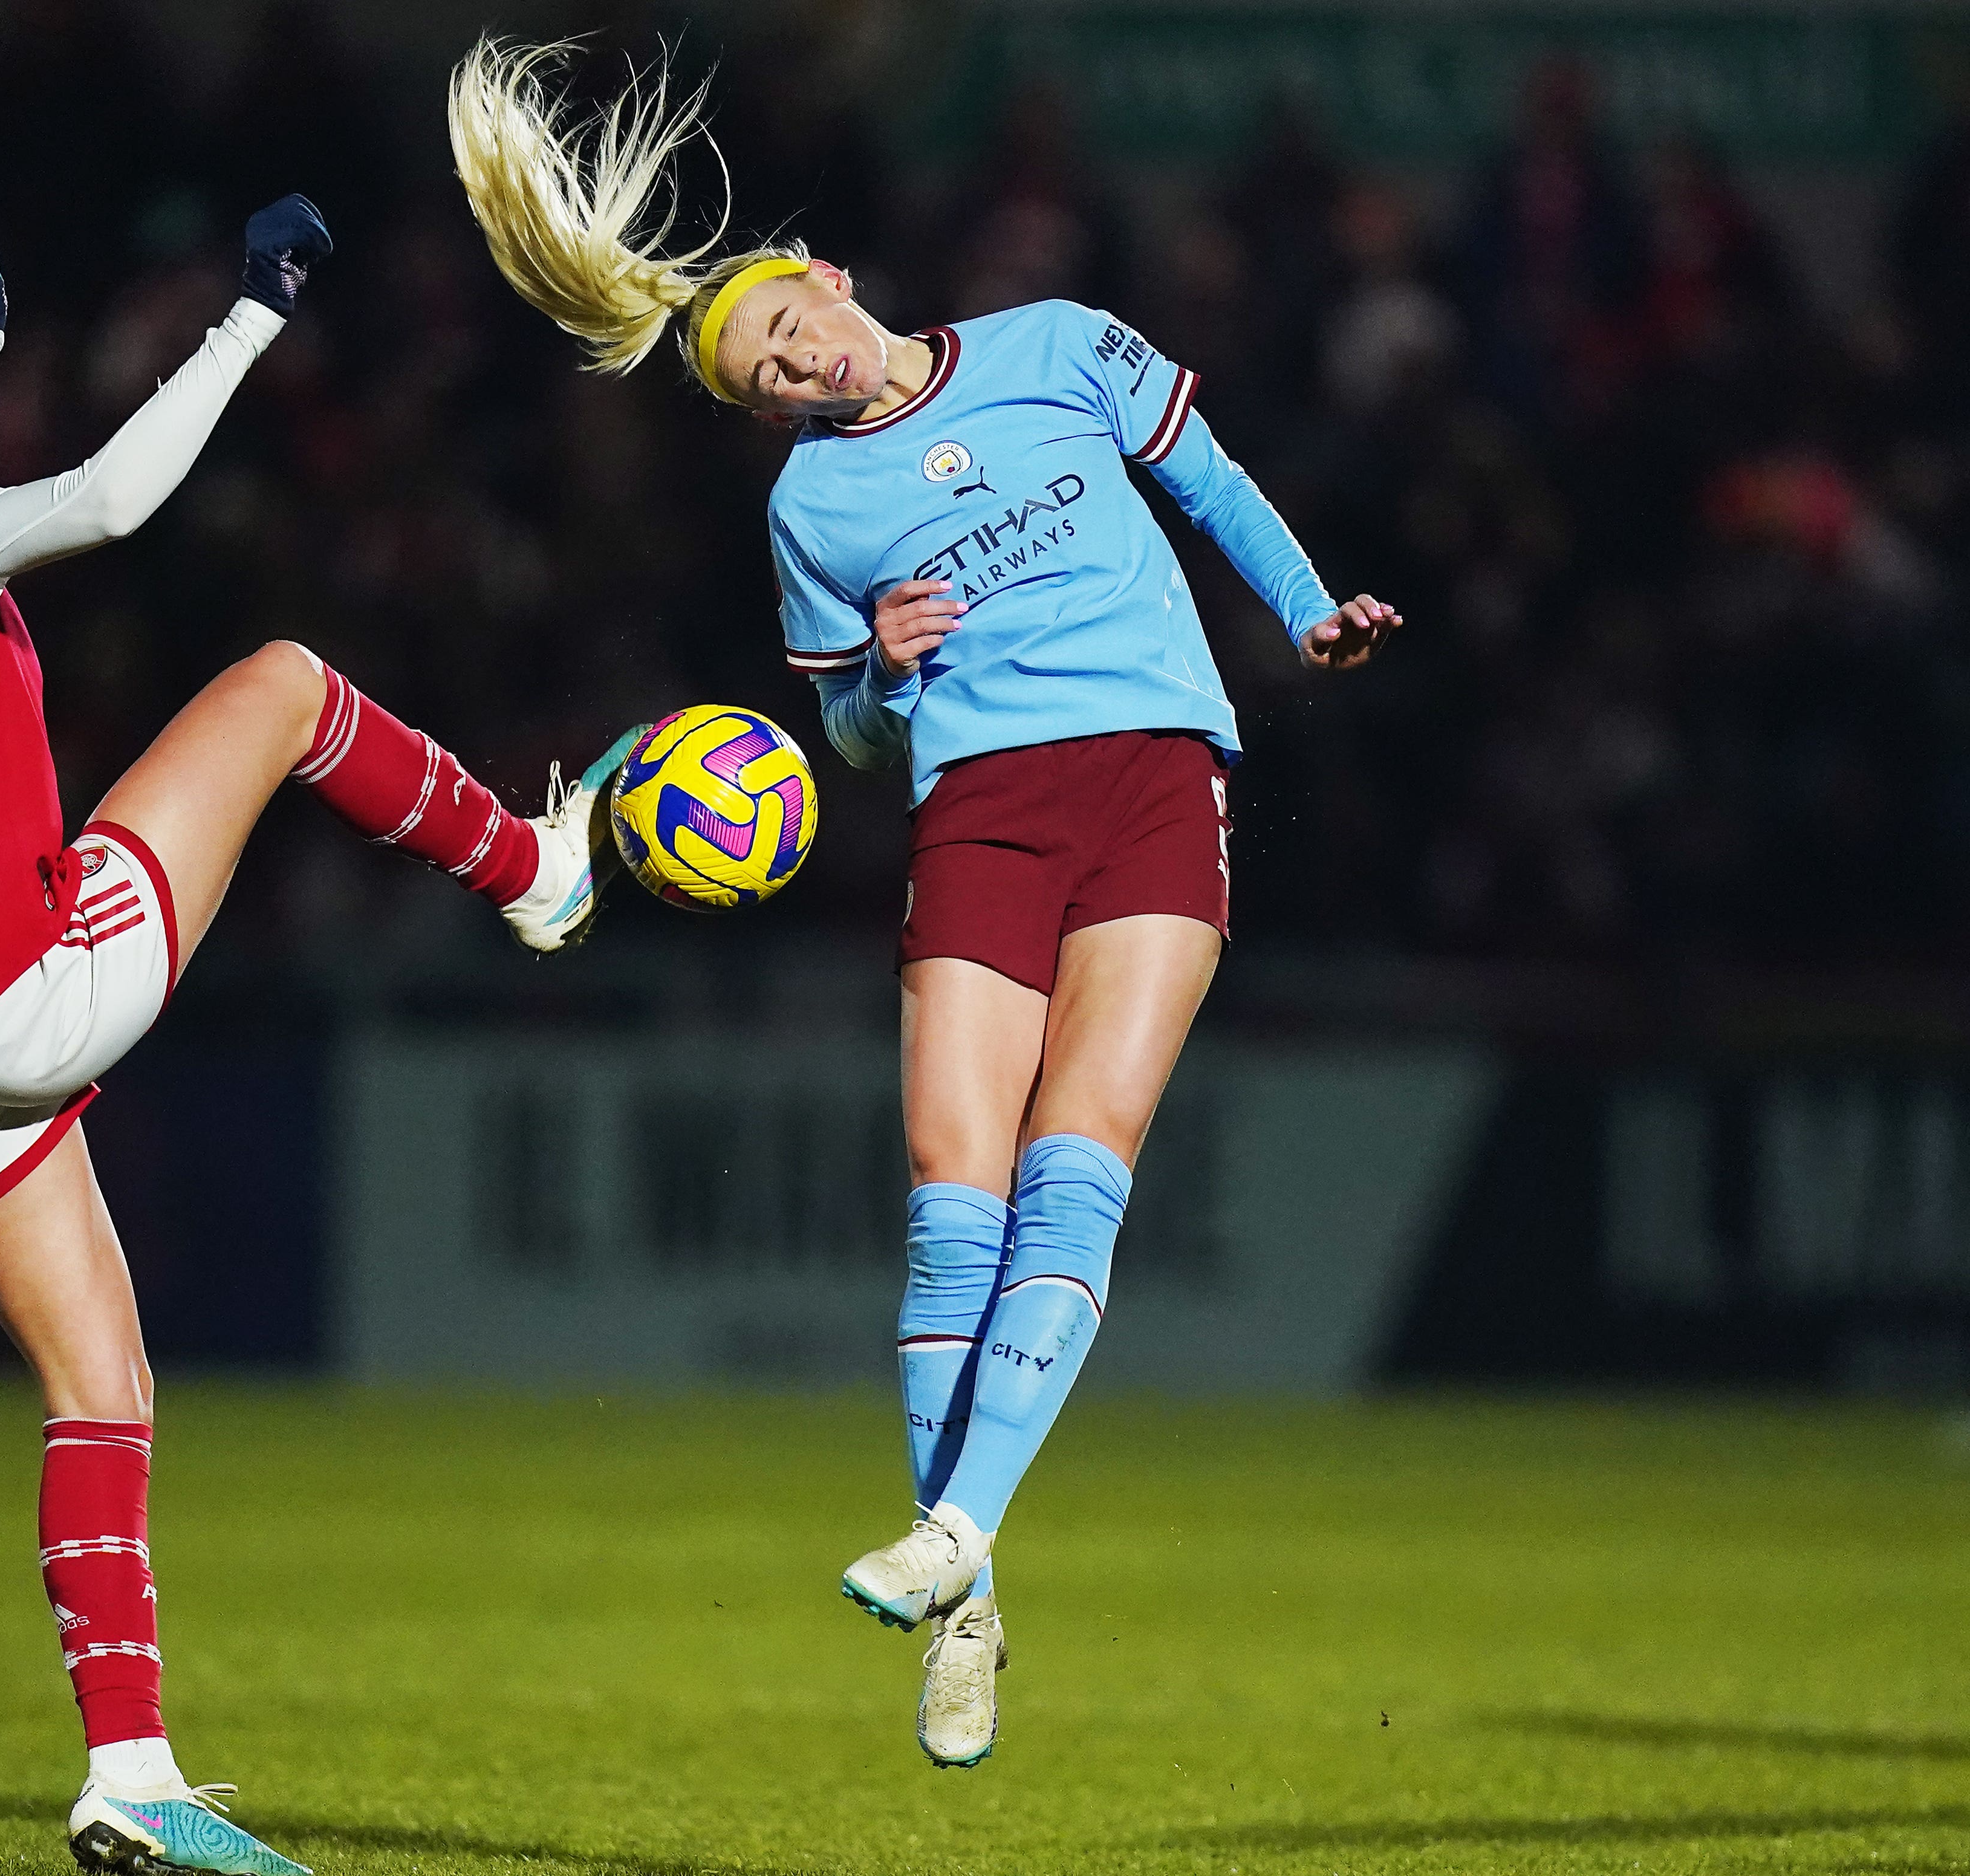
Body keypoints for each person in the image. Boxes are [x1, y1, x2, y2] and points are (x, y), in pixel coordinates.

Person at [0, 174, 636, 1875]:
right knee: (287, 689)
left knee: (101, 1385)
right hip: (22, 997)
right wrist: (247, 320)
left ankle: (132, 1777)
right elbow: (103, 500)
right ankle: (534, 868)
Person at [447, 41, 1402, 1770]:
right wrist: (876, 683)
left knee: (1077, 1159)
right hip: (984, 814)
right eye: (764, 379)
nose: (796, 365)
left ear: (828, 276)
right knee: (952, 1206)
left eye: (785, 325)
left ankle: (956, 1535)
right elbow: (849, 744)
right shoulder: (816, 508)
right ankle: (964, 1585)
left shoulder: (1052, 344)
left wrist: (1311, 606)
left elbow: (1212, 479)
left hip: (1155, 783)